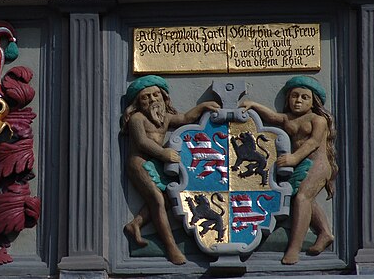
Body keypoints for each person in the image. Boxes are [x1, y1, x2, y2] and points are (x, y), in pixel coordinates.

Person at [121, 75, 220, 265]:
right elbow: (142, 142)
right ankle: (171, 247)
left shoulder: (164, 117)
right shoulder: (137, 119)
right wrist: (163, 154)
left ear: (164, 97)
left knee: (165, 199)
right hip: (139, 163)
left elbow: (184, 118)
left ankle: (136, 224)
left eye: (156, 95)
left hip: (156, 164)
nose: (152, 100)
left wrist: (202, 107)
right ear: (138, 102)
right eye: (146, 97)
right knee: (157, 199)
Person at [240, 76, 338, 265]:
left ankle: (294, 248)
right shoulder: (289, 118)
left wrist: (294, 158)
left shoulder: (318, 120)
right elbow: (272, 117)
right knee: (303, 197)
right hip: (303, 164)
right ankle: (325, 232)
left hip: (318, 164)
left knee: (302, 198)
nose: (298, 101)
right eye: (294, 96)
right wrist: (253, 105)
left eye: (304, 97)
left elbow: (313, 142)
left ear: (313, 101)